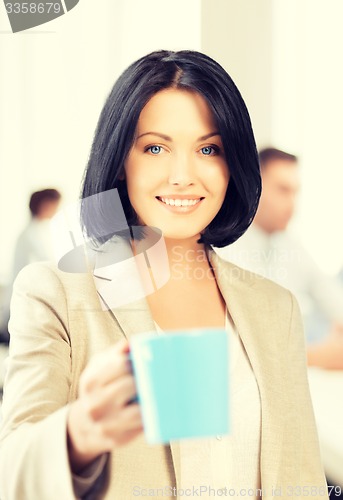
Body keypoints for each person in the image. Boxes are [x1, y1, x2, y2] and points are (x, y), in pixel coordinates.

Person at [0, 51, 328, 499]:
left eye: (208, 149)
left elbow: (300, 479)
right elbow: (11, 472)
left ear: (231, 165)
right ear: (121, 160)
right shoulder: (55, 293)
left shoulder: (276, 309)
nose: (182, 176)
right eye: (155, 147)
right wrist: (78, 433)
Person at [215, 148, 343, 370]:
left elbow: (334, 302)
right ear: (254, 187)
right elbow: (245, 348)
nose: (292, 203)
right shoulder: (224, 249)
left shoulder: (291, 246)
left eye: (295, 192)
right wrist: (315, 356)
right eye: (283, 190)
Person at [0, 188, 61, 344]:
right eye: (54, 204)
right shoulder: (32, 233)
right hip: (21, 303)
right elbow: (50, 263)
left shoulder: (38, 230)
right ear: (44, 205)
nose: (56, 209)